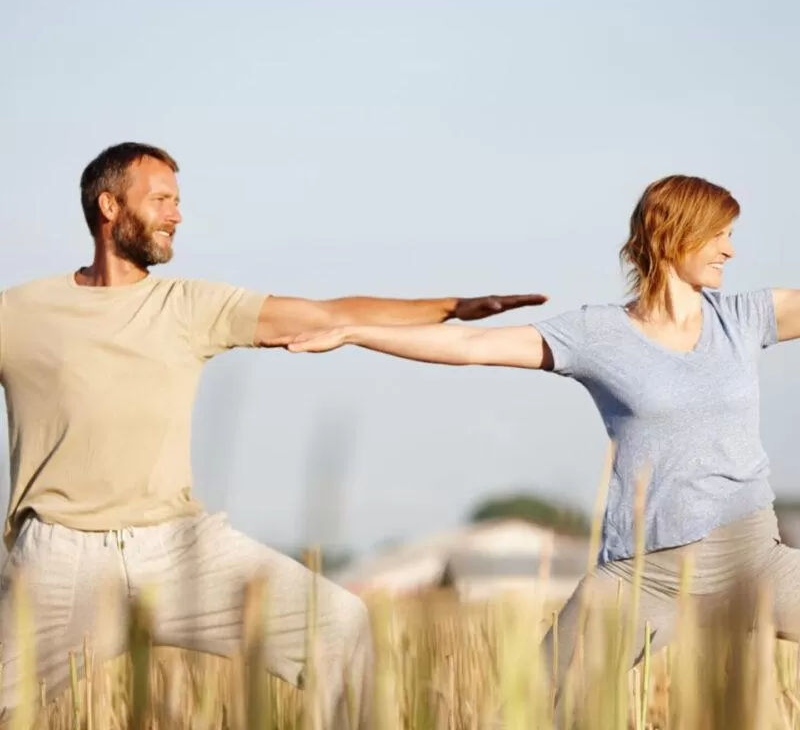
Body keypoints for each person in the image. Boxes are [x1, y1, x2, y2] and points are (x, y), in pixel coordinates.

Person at [0, 141, 549, 725]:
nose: (177, 215)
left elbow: (324, 313)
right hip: (62, 561)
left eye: (178, 201)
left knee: (340, 626)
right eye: (161, 199)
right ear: (109, 206)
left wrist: (447, 307)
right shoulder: (22, 314)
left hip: (178, 548)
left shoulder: (187, 304)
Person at [280, 174, 800, 702]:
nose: (730, 250)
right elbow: (467, 345)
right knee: (535, 706)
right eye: (720, 235)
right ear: (675, 232)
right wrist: (355, 332)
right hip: (647, 577)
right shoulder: (597, 335)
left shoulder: (745, 317)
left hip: (754, 558)